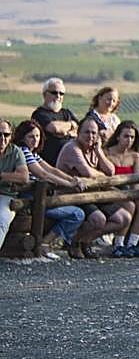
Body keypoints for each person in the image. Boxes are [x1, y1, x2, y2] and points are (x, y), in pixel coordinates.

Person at [56, 118, 126, 259]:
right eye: (86, 132)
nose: (90, 136)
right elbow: (88, 173)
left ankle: (85, 241)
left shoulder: (94, 149)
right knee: (99, 219)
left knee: (123, 218)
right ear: (78, 133)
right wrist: (101, 176)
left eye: (94, 133)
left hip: (93, 194)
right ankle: (74, 242)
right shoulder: (72, 148)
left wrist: (99, 151)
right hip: (72, 196)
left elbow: (111, 171)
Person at [12, 120, 85, 253]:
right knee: (77, 214)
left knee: (75, 212)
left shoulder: (32, 153)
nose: (35, 140)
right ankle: (46, 244)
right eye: (31, 136)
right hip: (30, 199)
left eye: (38, 136)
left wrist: (73, 179)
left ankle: (45, 243)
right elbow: (42, 174)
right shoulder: (23, 151)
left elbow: (52, 170)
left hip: (38, 198)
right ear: (22, 137)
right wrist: (69, 184)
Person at [104, 119, 139, 256]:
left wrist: (135, 193)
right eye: (126, 136)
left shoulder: (134, 156)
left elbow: (135, 181)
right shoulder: (107, 153)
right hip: (111, 191)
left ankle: (132, 243)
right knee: (129, 205)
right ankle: (118, 243)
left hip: (129, 192)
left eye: (132, 137)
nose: (129, 140)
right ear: (118, 136)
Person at [31, 77, 79, 167]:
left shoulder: (67, 113)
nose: (58, 96)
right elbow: (54, 128)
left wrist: (65, 132)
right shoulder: (39, 114)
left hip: (72, 159)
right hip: (51, 163)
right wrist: (71, 125)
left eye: (61, 93)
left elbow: (80, 130)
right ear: (45, 94)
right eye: (54, 93)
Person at [0, 119, 32, 250]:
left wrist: (1, 176)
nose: (2, 139)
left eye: (6, 135)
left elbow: (24, 177)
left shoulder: (15, 152)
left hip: (6, 195)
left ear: (11, 136)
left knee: (2, 219)